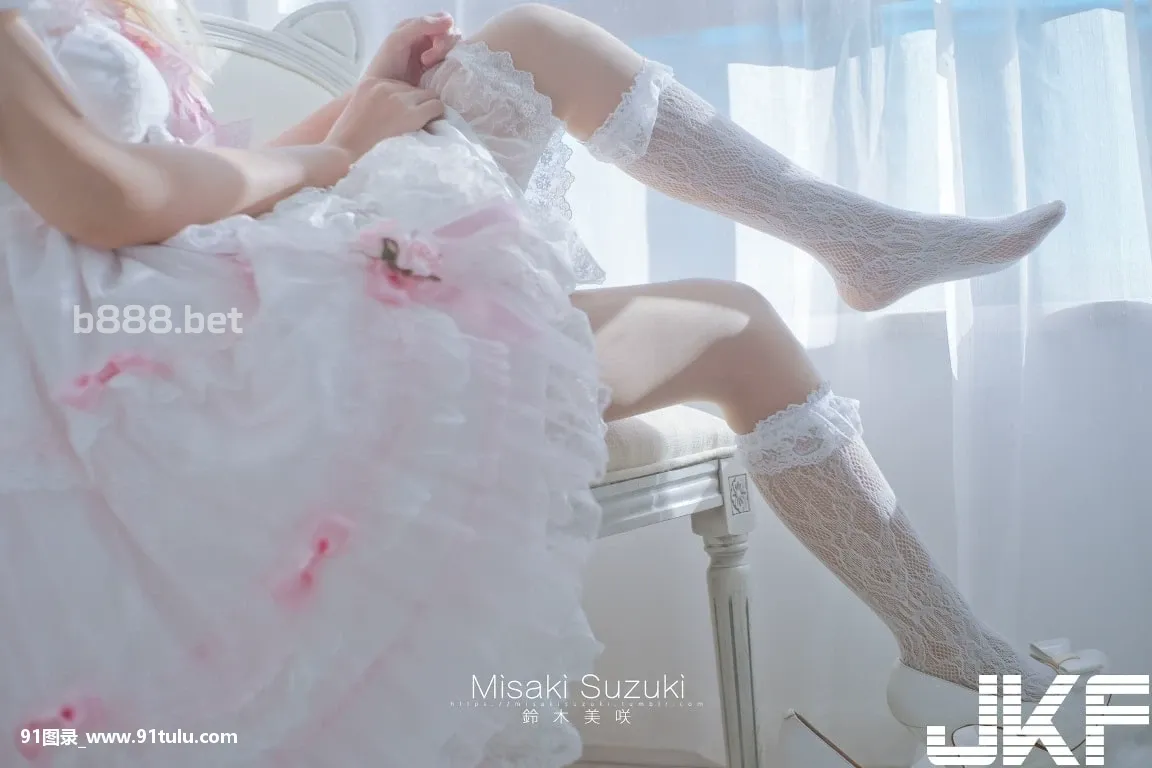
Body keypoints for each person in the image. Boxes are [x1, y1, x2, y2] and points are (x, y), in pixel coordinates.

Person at [0, 0, 1102, 765]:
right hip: (151, 364)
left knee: (532, 48)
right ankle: (962, 662)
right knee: (738, 328)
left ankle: (866, 256)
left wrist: (359, 108)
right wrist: (340, 153)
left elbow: (170, 189)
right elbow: (108, 199)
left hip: (192, 292)